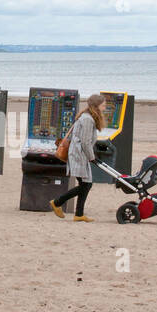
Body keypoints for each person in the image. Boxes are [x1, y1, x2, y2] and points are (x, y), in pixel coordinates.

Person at [49, 93, 104, 222]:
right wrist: (91, 157)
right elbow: (85, 141)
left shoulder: (88, 117)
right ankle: (57, 202)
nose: (105, 107)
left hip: (80, 154)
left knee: (85, 184)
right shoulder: (87, 119)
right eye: (103, 105)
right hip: (79, 155)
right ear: (96, 106)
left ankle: (79, 214)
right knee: (86, 184)